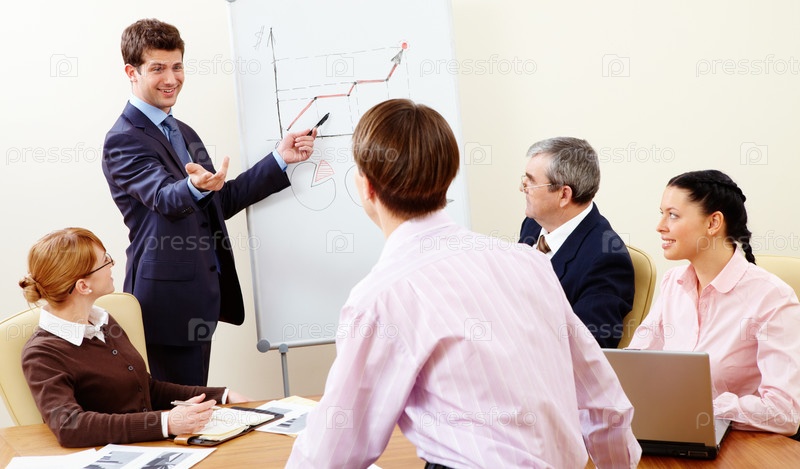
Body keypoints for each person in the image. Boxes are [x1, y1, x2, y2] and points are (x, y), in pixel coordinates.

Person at [286, 99, 641, 468]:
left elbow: (332, 453)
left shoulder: (381, 297)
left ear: (367, 187)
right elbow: (604, 404)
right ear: (447, 179)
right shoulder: (528, 262)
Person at [102, 18, 316, 386]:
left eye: (177, 66)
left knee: (197, 405)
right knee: (181, 410)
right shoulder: (123, 140)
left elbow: (218, 200)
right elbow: (165, 198)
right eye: (158, 68)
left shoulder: (182, 132)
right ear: (131, 72)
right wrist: (194, 186)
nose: (171, 79)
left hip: (198, 300)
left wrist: (279, 159)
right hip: (164, 307)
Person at [19, 227, 249, 448]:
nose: (112, 264)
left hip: (152, 447)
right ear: (83, 286)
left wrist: (222, 395)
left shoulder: (103, 322)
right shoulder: (42, 354)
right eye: (105, 261)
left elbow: (147, 388)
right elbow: (70, 426)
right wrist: (166, 423)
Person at [628, 170, 800, 435]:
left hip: (741, 443)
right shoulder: (673, 283)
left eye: (673, 215)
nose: (660, 226)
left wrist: (705, 407)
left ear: (713, 223)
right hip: (674, 431)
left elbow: (784, 413)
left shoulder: (772, 297)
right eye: (662, 213)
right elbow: (634, 363)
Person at [518, 137, 634, 348]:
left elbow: (587, 347)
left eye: (531, 182)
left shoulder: (607, 259)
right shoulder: (533, 225)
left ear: (564, 194)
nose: (522, 188)